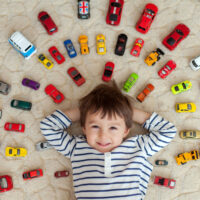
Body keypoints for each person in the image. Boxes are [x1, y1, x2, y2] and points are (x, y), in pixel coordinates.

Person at [40, 83, 177, 200]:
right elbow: (48, 126)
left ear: (125, 131)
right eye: (95, 126)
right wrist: (84, 111)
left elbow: (168, 131)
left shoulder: (136, 147)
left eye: (113, 127)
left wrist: (128, 112)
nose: (103, 135)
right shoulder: (77, 147)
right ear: (84, 128)